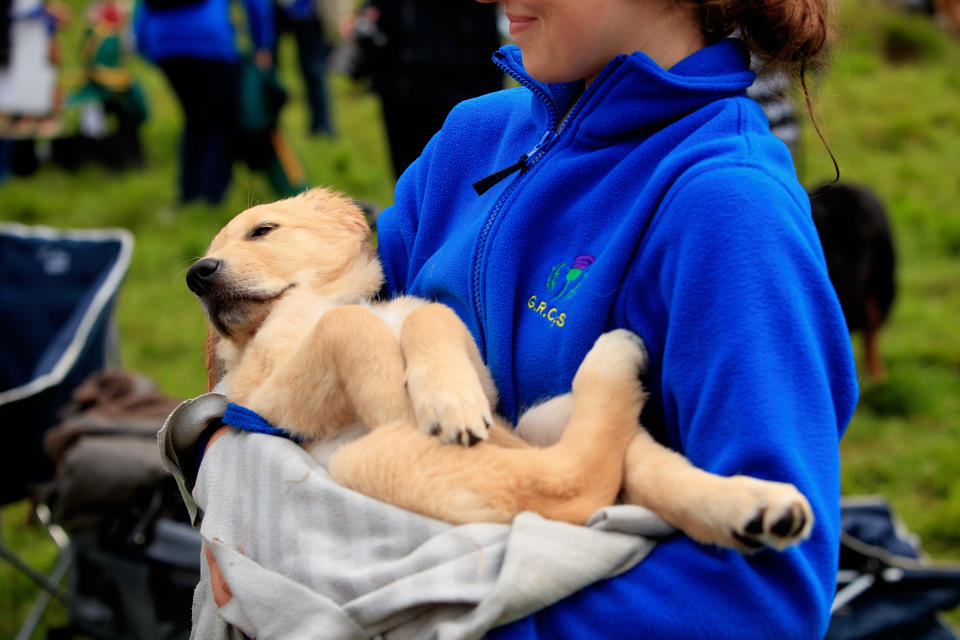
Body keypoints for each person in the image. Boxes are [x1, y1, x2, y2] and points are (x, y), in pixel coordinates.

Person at [185, 0, 858, 637]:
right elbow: (309, 341)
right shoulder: (473, 139)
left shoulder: (727, 209)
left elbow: (769, 593)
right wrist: (244, 501)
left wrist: (445, 625)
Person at [132, 0, 274, 204]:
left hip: (163, 43)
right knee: (218, 124)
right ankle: (210, 198)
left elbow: (141, 9)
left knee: (194, 120)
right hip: (210, 41)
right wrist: (262, 44)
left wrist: (147, 45)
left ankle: (188, 194)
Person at [344, 0, 503, 178]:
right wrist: (369, 10)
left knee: (460, 181)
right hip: (398, 82)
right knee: (407, 180)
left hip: (459, 84)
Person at [272, 0, 335, 136]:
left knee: (314, 70)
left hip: (308, 12)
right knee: (270, 68)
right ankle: (267, 124)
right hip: (277, 9)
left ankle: (322, 126)